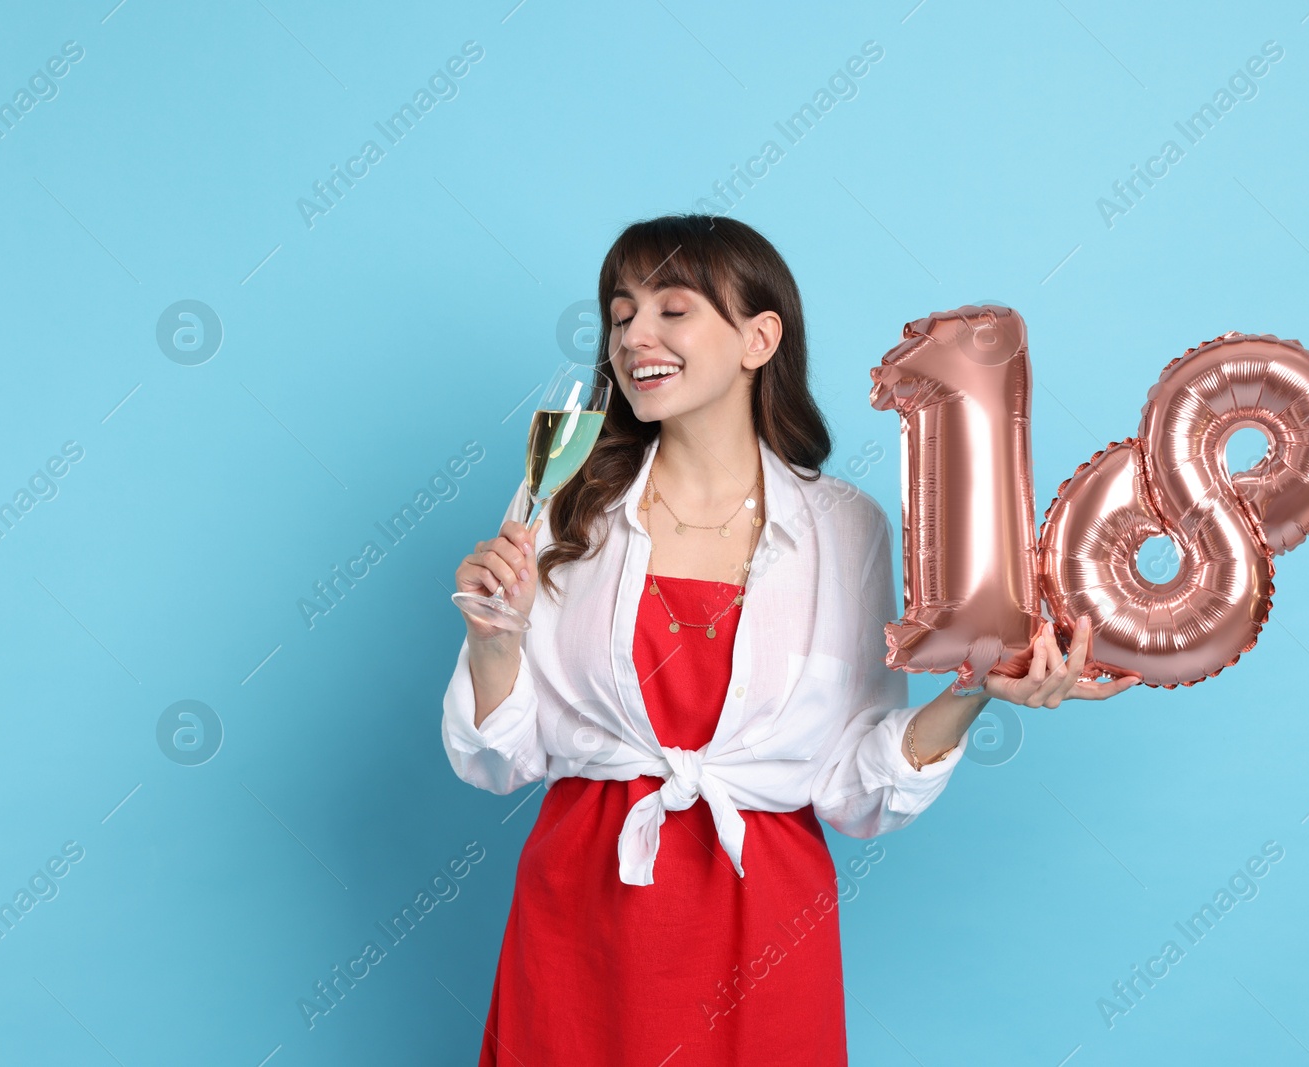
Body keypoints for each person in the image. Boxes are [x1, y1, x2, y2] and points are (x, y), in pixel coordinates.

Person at [440, 214, 1137, 1065]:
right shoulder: (559, 505)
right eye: (621, 314)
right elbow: (495, 760)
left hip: (763, 923)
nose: (634, 338)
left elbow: (853, 786)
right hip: (582, 913)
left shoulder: (846, 527)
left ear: (758, 337)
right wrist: (492, 640)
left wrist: (975, 688)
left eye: (673, 309)